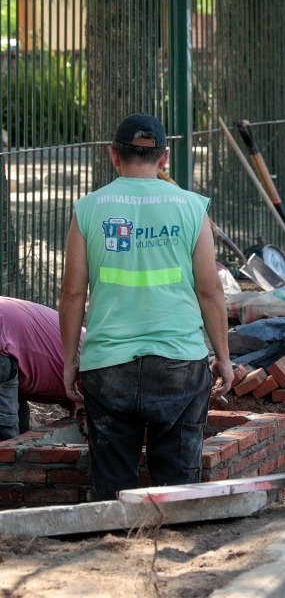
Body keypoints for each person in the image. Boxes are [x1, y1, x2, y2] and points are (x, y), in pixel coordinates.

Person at [59, 113, 233, 500]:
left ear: (112, 155)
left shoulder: (89, 209)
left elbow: (72, 294)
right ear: (165, 157)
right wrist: (223, 356)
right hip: (180, 365)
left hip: (108, 367)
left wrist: (70, 360)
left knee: (112, 488)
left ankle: (115, 550)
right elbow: (210, 291)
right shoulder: (191, 208)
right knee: (177, 491)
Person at [0, 298, 79, 441]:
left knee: (14, 414)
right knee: (5, 431)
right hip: (5, 340)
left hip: (9, 336)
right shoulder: (93, 365)